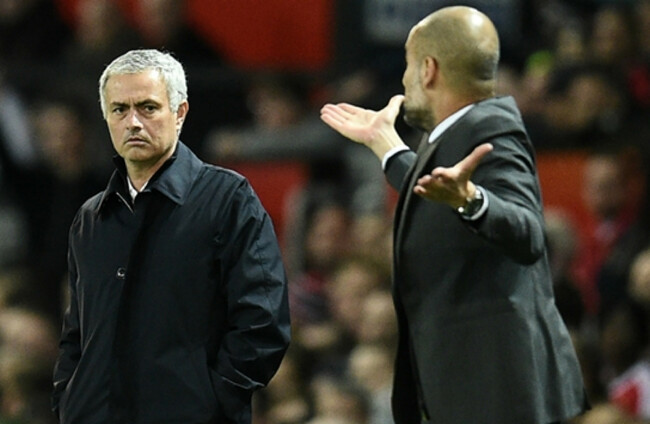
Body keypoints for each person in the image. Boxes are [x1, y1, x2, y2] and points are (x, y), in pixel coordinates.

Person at [320, 6, 588, 424]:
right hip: (476, 387)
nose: (404, 80)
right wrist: (387, 146)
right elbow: (436, 191)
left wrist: (472, 200)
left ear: (428, 69)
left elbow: (528, 234)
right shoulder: (457, 133)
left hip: (498, 390)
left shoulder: (492, 130)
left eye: (408, 66)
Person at [51, 49, 291, 424]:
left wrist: (211, 406)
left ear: (180, 113)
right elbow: (76, 335)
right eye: (119, 109)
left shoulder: (227, 199)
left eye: (147, 108)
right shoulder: (90, 219)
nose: (133, 122)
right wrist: (69, 400)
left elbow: (263, 323)